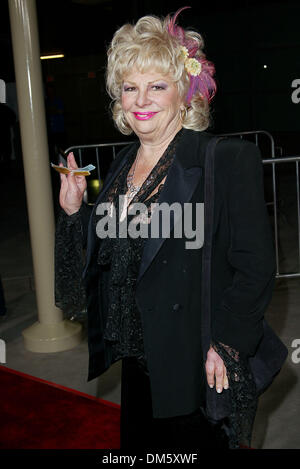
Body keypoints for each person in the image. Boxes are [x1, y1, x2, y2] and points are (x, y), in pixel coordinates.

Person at [55, 7, 276, 450]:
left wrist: (227, 345)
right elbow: (109, 260)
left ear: (185, 94)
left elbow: (255, 267)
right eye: (130, 88)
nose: (141, 100)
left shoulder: (225, 160)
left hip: (197, 362)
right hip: (139, 363)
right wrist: (76, 212)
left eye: (157, 86)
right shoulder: (120, 167)